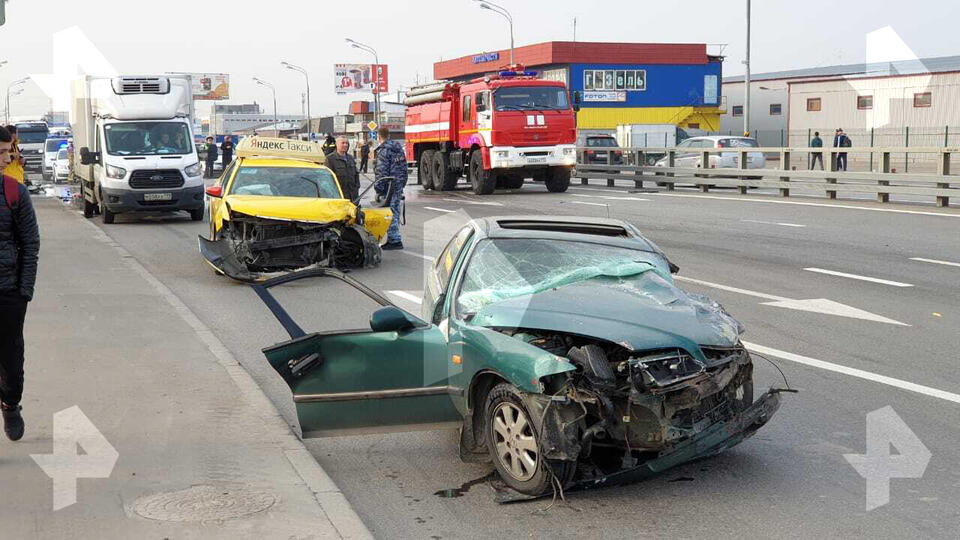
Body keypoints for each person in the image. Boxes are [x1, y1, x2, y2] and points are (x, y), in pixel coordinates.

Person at [0, 125, 39, 441]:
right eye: (0, 153)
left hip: (9, 292)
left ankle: (10, 404)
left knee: (11, 363)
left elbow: (30, 243)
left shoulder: (16, 193)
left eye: (7, 152)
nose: (5, 159)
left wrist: (24, 291)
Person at [375, 127, 407, 250]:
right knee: (396, 210)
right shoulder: (398, 149)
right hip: (398, 184)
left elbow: (382, 172)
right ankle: (395, 237)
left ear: (379, 137)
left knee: (389, 212)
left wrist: (378, 188)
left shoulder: (384, 151)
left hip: (388, 186)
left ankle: (394, 240)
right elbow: (404, 168)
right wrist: (402, 183)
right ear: (388, 135)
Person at [326, 136, 360, 201]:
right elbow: (328, 180)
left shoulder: (350, 158)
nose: (345, 145)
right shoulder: (330, 159)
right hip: (339, 196)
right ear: (337, 144)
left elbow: (356, 176)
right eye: (343, 143)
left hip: (352, 196)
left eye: (347, 143)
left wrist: (356, 189)